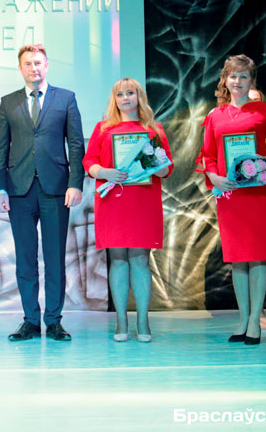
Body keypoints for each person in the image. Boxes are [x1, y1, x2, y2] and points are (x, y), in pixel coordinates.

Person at [0, 44, 85, 341]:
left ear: (47, 66)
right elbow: (0, 148)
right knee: (25, 258)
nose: (34, 68)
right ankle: (30, 320)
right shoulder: (8, 102)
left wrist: (75, 183)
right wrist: (0, 188)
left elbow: (76, 144)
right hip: (19, 190)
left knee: (55, 258)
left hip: (56, 189)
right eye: (28, 63)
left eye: (38, 63)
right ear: (20, 68)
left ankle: (54, 320)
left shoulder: (66, 98)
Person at [198, 55, 266, 345]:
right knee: (237, 257)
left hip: (259, 192)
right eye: (233, 76)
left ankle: (255, 322)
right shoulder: (215, 115)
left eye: (243, 76)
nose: (237, 81)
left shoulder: (264, 111)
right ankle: (242, 319)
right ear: (225, 80)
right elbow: (207, 155)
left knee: (258, 255)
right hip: (231, 193)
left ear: (252, 82)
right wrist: (214, 177)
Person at [82, 78, 173, 342]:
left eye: (130, 93)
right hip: (113, 201)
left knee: (140, 260)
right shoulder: (103, 128)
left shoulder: (153, 129)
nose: (125, 98)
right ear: (114, 99)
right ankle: (121, 322)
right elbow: (89, 161)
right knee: (118, 259)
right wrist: (104, 172)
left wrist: (155, 163)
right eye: (120, 94)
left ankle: (143, 322)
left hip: (142, 201)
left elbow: (167, 169)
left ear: (139, 97)